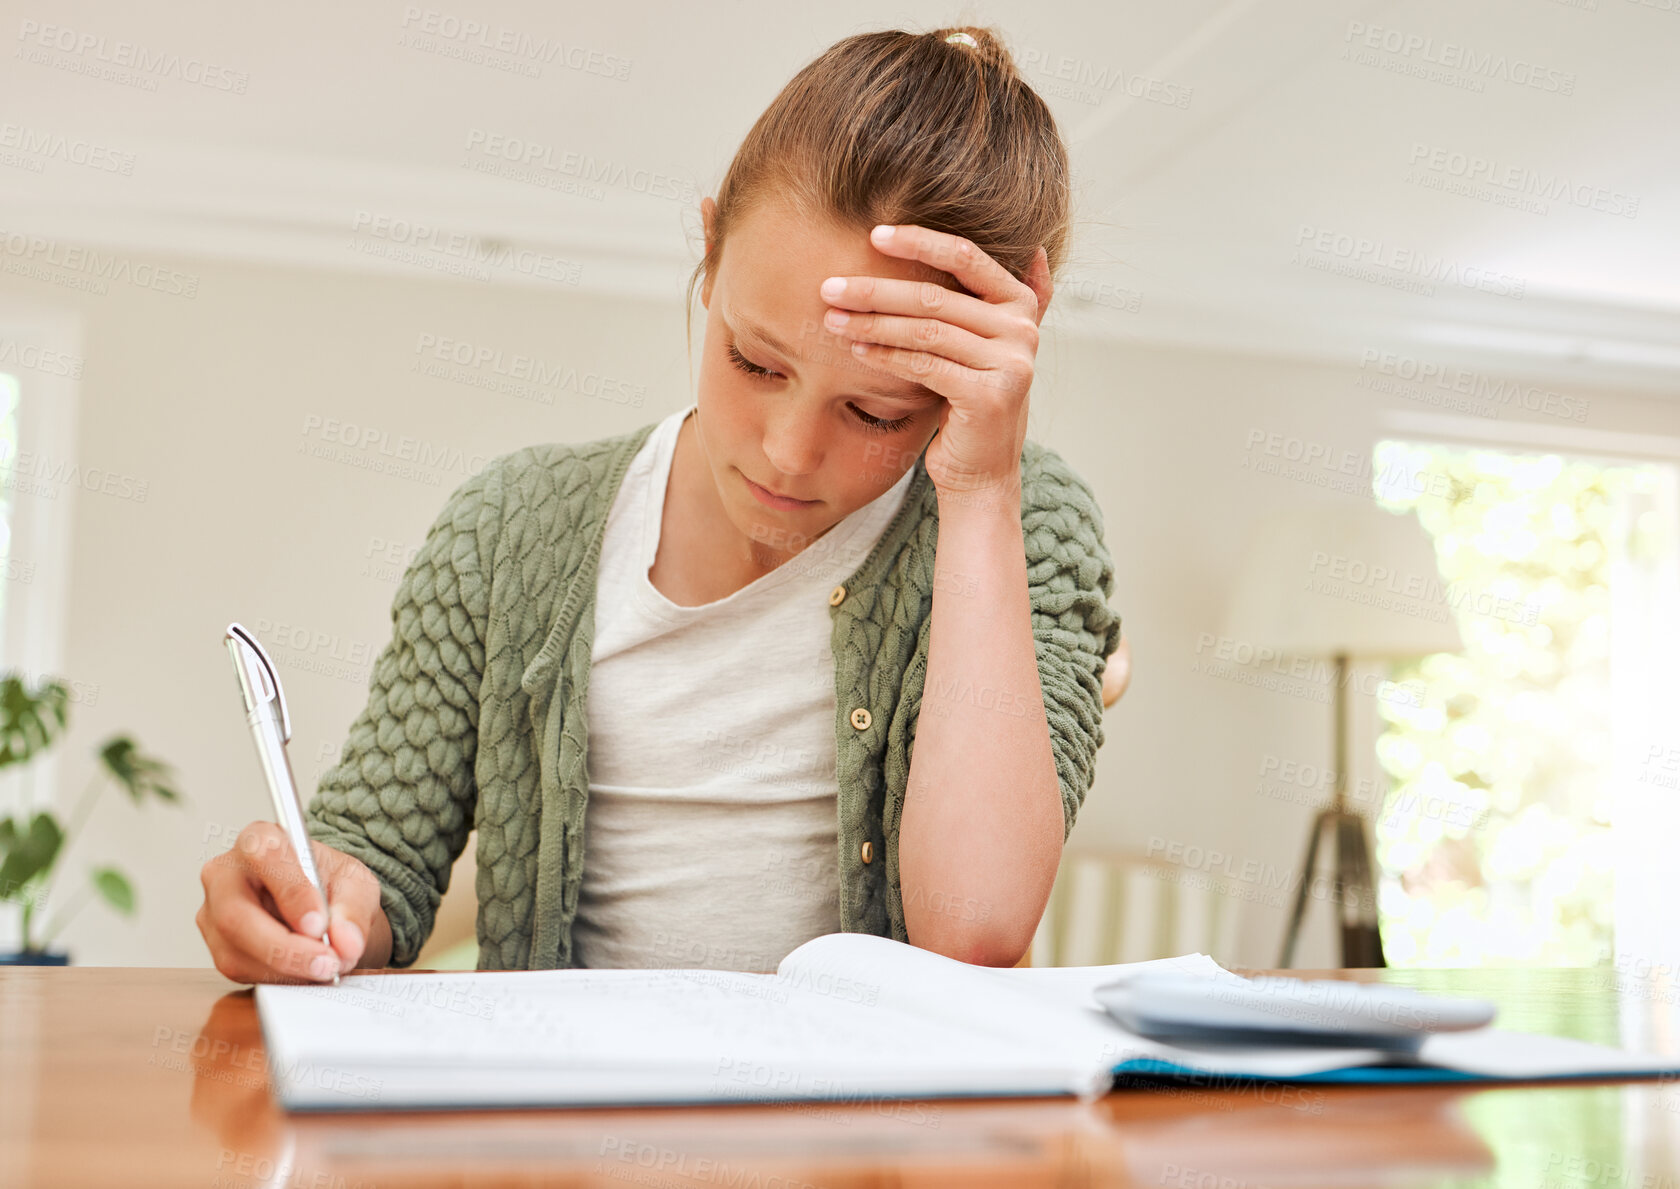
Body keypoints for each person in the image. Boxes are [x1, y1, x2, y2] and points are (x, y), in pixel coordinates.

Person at [197, 24, 1122, 985]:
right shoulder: (510, 528)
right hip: (562, 1120)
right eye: (755, 362)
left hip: (858, 1133)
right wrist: (306, 900)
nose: (787, 451)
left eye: (877, 412)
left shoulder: (1025, 522)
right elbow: (374, 862)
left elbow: (973, 932)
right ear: (711, 251)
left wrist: (980, 494)